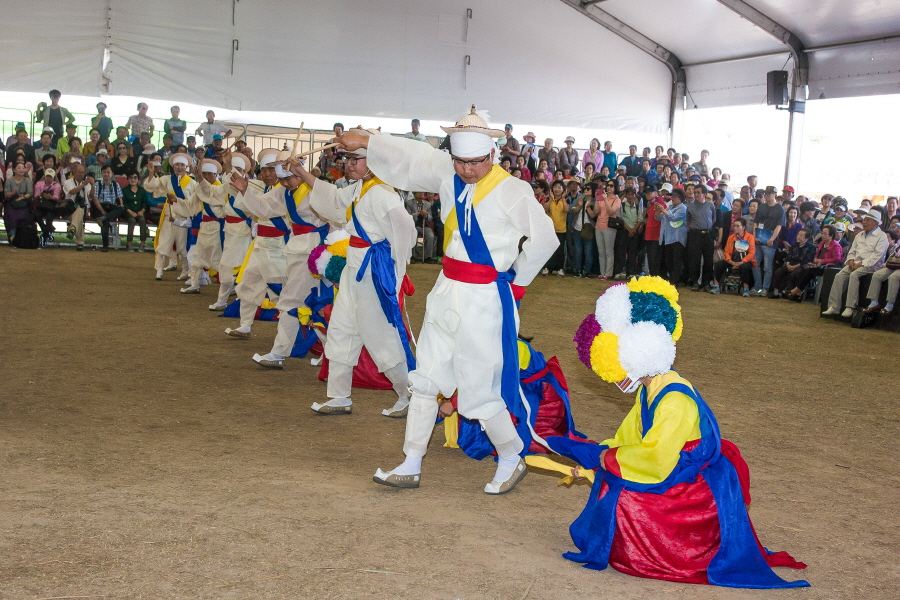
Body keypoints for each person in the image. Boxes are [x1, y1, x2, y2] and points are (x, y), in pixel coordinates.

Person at [335, 106, 557, 493]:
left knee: (476, 390)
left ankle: (510, 454)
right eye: (460, 162)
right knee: (424, 381)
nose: (467, 170)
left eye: (476, 162)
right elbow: (413, 157)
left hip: (485, 298)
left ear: (493, 154)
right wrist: (369, 141)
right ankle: (410, 460)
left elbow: (545, 240)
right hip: (446, 289)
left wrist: (516, 286)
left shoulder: (512, 190)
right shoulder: (448, 173)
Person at [552, 277, 809, 589]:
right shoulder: (649, 389)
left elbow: (656, 457)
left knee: (626, 499)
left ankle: (668, 555)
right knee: (611, 478)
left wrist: (605, 458)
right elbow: (629, 437)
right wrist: (598, 458)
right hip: (671, 465)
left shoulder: (673, 399)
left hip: (692, 479)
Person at [282, 129, 415, 417]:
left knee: (380, 336)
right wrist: (302, 172)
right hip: (355, 266)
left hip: (372, 269)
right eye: (348, 160)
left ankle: (408, 394)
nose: (350, 164)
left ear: (375, 161)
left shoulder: (382, 194)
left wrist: (394, 267)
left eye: (356, 159)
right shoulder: (359, 188)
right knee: (341, 330)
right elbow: (332, 198)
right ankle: (339, 396)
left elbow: (406, 230)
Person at [227, 149, 330, 366]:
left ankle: (278, 353)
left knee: (292, 300)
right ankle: (331, 352)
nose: (286, 183)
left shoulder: (315, 188)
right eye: (281, 180)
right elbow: (264, 208)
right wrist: (245, 191)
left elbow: (336, 211)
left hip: (316, 251)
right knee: (312, 302)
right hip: (295, 249)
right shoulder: (284, 192)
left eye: (289, 178)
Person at [207, 150, 267, 311]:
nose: (236, 174)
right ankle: (224, 300)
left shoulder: (256, 187)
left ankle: (234, 302)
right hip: (230, 231)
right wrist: (227, 166)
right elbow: (229, 184)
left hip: (246, 233)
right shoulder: (230, 187)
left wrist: (227, 165)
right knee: (228, 266)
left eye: (239, 170)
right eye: (234, 170)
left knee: (240, 269)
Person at [822, 210, 890, 317]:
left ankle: (850, 307)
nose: (864, 222)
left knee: (854, 275)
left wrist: (861, 264)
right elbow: (852, 250)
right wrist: (851, 260)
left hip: (872, 266)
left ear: (875, 223)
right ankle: (834, 307)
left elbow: (878, 255)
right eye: (864, 220)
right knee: (839, 276)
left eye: (867, 220)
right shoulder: (860, 235)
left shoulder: (882, 236)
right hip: (855, 263)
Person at [144, 152, 195, 280]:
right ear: (173, 166)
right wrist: (151, 173)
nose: (179, 167)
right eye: (177, 165)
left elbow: (194, 202)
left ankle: (185, 270)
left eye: (182, 165)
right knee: (163, 244)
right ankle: (159, 270)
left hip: (183, 219)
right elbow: (151, 186)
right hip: (168, 217)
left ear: (186, 167)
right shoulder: (166, 179)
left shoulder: (192, 183)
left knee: (183, 247)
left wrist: (177, 199)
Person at [784, 224, 843, 301]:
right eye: (822, 233)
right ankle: (798, 293)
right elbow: (816, 255)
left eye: (825, 233)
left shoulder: (836, 246)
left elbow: (837, 259)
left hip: (828, 268)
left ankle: (796, 290)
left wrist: (821, 261)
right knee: (803, 269)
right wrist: (815, 260)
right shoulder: (822, 243)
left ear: (831, 235)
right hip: (817, 265)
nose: (822, 235)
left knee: (810, 271)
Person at [751, 186, 785, 296]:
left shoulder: (780, 209)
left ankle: (765, 288)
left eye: (769, 193)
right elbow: (756, 223)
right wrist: (754, 236)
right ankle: (757, 287)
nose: (767, 195)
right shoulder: (761, 207)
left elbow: (779, 226)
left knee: (767, 267)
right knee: (755, 264)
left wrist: (772, 239)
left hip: (770, 241)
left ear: (774, 194)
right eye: (766, 193)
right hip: (759, 238)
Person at [710, 218, 755, 296]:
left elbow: (751, 253)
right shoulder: (731, 237)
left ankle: (746, 289)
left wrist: (741, 262)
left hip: (744, 260)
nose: (735, 228)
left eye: (738, 226)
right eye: (734, 226)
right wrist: (730, 261)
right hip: (732, 259)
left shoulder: (750, 237)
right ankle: (716, 286)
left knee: (745, 267)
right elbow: (727, 252)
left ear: (743, 227)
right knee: (719, 264)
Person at [685, 187, 717, 291]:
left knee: (708, 259)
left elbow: (713, 220)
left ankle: (706, 283)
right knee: (694, 259)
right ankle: (695, 282)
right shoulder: (690, 206)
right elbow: (688, 221)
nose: (696, 194)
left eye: (698, 192)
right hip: (695, 235)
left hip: (707, 235)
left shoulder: (710, 205)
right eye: (695, 192)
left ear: (704, 194)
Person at [587, 179, 621, 280]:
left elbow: (611, 212)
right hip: (599, 226)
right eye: (608, 185)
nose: (609, 187)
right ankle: (602, 273)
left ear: (615, 188)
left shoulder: (617, 200)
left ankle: (608, 273)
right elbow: (596, 211)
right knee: (601, 252)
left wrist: (605, 199)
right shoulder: (602, 197)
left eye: (611, 186)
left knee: (609, 251)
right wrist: (598, 198)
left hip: (609, 227)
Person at [863, 230, 900, 315]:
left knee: (893, 277)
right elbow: (894, 254)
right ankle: (874, 302)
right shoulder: (899, 241)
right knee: (877, 275)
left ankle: (890, 304)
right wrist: (886, 264)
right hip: (894, 265)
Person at [656, 188, 688, 286]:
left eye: (674, 196)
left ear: (680, 198)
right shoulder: (669, 207)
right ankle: (671, 279)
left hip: (678, 238)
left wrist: (662, 209)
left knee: (676, 261)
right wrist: (658, 210)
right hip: (668, 238)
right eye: (672, 196)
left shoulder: (683, 208)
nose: (672, 198)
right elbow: (659, 218)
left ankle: (675, 281)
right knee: (668, 260)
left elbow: (673, 217)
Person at [771, 228, 815, 297]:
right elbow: (789, 256)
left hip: (801, 266)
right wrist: (788, 264)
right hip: (791, 264)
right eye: (798, 235)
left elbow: (807, 260)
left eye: (801, 235)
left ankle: (791, 293)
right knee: (778, 271)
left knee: (795, 273)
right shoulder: (794, 244)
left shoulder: (811, 247)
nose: (798, 236)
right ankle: (777, 292)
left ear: (806, 238)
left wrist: (795, 266)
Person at [91, 164, 126, 252]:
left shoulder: (115, 184)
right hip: (99, 206)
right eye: (104, 172)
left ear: (112, 173)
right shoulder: (97, 184)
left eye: (108, 172)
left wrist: (121, 203)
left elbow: (119, 196)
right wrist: (102, 211)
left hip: (111, 207)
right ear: (101, 173)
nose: (106, 174)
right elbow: (95, 199)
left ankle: (102, 218)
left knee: (122, 208)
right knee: (105, 221)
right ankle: (105, 245)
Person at [62, 164, 94, 250]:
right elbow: (72, 192)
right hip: (69, 209)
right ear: (74, 173)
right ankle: (80, 242)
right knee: (79, 213)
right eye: (79, 172)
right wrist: (83, 184)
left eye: (83, 172)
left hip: (83, 209)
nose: (81, 174)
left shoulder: (87, 184)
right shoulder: (67, 182)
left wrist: (93, 185)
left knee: (80, 210)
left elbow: (91, 197)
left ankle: (72, 230)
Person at [3, 163, 35, 244]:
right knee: (10, 214)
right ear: (14, 169)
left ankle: (21, 235)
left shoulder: (28, 181)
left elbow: (30, 193)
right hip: (12, 202)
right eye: (19, 168)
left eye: (23, 168)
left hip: (23, 202)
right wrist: (12, 193)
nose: (21, 169)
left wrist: (22, 197)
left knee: (24, 214)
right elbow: (6, 194)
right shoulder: (9, 181)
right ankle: (12, 235)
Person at [33, 168, 67, 245]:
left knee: (49, 218)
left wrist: (48, 196)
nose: (49, 178)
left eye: (50, 177)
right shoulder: (39, 184)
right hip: (41, 206)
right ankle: (46, 232)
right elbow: (35, 196)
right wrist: (41, 194)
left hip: (51, 207)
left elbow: (56, 198)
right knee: (36, 214)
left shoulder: (57, 185)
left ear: (53, 177)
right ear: (44, 176)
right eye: (47, 176)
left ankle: (44, 235)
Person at [617, 188, 644, 278]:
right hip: (624, 231)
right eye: (628, 194)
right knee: (621, 252)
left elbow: (640, 219)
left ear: (635, 196)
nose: (630, 196)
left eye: (632, 194)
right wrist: (629, 229)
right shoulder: (622, 205)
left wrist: (634, 230)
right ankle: (619, 271)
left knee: (632, 253)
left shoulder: (637, 207)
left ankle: (631, 272)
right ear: (625, 195)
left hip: (634, 232)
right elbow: (620, 219)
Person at [571, 183, 596, 278]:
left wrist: (588, 207)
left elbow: (594, 215)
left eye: (588, 188)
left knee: (588, 251)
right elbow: (573, 210)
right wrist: (580, 206)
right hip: (577, 227)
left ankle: (587, 271)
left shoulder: (595, 201)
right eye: (585, 188)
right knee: (578, 250)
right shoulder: (580, 198)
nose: (585, 190)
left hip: (588, 229)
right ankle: (578, 270)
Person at [644, 184, 668, 277]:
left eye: (650, 192)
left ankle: (656, 279)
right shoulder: (651, 203)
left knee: (655, 260)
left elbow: (663, 220)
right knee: (651, 259)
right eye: (647, 192)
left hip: (656, 236)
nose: (648, 194)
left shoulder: (660, 203)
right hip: (650, 235)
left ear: (656, 193)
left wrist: (660, 235)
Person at [121, 172, 149, 251]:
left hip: (140, 212)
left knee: (142, 220)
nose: (133, 179)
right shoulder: (124, 190)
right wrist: (130, 212)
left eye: (135, 177)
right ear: (128, 179)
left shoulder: (142, 191)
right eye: (131, 177)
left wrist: (142, 211)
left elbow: (144, 202)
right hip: (128, 212)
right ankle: (129, 243)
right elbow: (124, 203)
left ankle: (142, 243)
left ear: (138, 180)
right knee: (132, 220)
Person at [405, 191, 436, 263]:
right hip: (413, 225)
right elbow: (408, 216)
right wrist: (418, 213)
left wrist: (427, 215)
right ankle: (412, 256)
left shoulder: (427, 204)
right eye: (419, 193)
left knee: (431, 236)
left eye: (422, 193)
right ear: (414, 194)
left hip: (424, 225)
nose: (421, 194)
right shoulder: (409, 203)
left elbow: (431, 217)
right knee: (412, 235)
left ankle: (428, 256)